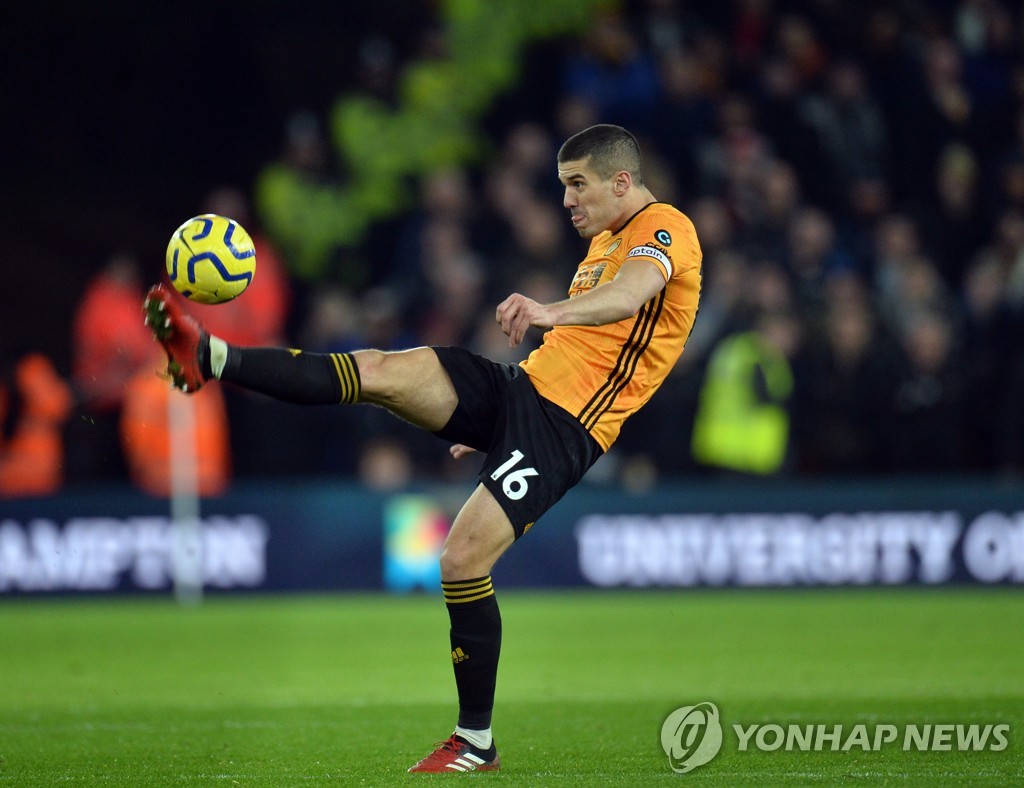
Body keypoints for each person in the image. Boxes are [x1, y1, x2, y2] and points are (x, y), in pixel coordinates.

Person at [142, 124, 702, 773]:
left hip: (565, 426)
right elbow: (579, 350)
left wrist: (548, 311)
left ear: (622, 182)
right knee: (378, 369)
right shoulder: (604, 240)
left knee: (461, 559)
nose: (569, 201)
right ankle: (209, 356)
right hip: (524, 393)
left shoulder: (666, 229)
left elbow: (627, 297)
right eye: (564, 187)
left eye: (578, 185)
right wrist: (490, 425)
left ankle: (476, 741)